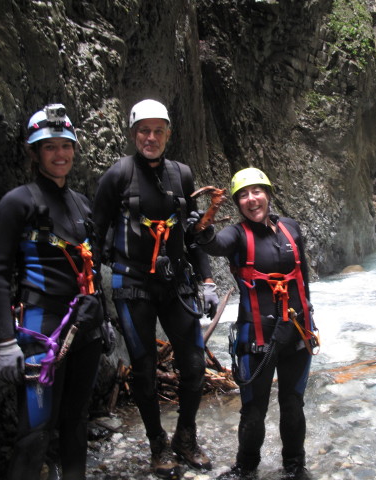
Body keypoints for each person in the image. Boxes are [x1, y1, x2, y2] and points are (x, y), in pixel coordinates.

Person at [92, 99, 219, 478]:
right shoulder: (117, 176)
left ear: (168, 134)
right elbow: (96, 237)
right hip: (132, 286)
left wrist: (208, 279)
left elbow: (192, 234)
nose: (151, 137)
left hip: (176, 283)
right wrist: (94, 295)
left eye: (157, 130)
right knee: (144, 370)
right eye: (143, 131)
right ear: (133, 134)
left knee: (194, 364)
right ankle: (156, 443)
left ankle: (185, 435)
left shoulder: (181, 174)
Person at [0, 104, 111, 480]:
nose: (60, 154)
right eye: (49, 147)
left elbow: (92, 267)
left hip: (85, 327)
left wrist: (103, 320)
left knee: (76, 421)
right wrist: (6, 342)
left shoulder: (82, 204)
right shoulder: (18, 203)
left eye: (65, 145)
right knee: (36, 430)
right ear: (35, 153)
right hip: (41, 328)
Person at [187, 167, 319, 480]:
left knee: (292, 404)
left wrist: (309, 323)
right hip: (256, 338)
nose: (251, 199)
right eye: (243, 195)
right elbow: (214, 245)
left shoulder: (291, 229)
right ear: (238, 203)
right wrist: (202, 231)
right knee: (254, 409)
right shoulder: (237, 235)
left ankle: (294, 467)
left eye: (257, 191)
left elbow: (303, 280)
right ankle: (246, 468)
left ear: (268, 195)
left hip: (297, 333)